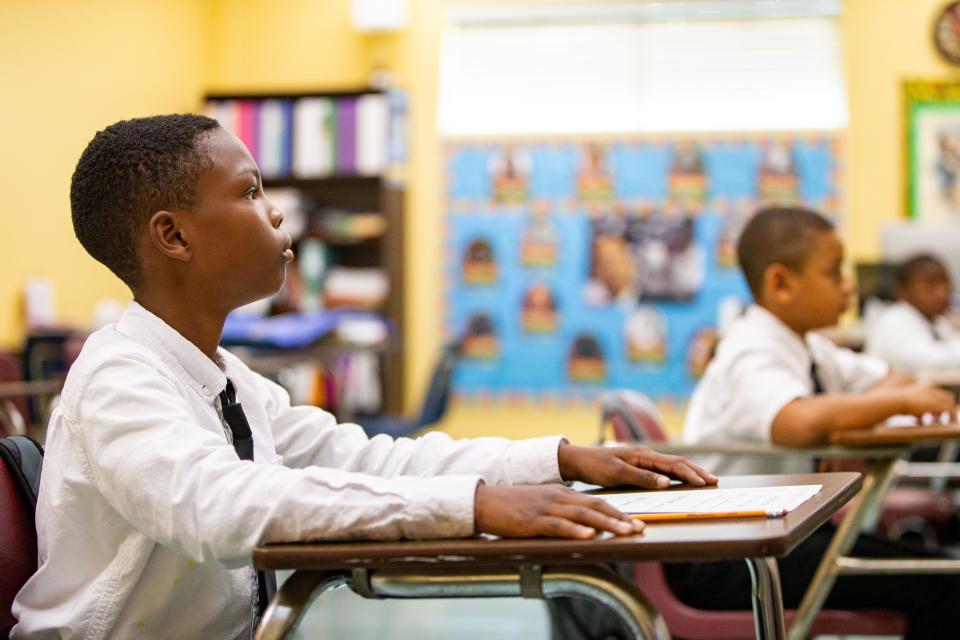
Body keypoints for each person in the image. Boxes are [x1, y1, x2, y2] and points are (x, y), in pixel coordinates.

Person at [9, 115, 715, 639]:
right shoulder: (116, 376)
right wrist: (472, 506)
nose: (276, 211)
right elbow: (222, 507)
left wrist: (550, 461)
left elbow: (369, 457)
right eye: (250, 192)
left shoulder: (229, 382)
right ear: (173, 236)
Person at [673, 206, 960, 640]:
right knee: (940, 584)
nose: (848, 286)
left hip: (779, 537)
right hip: (731, 555)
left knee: (937, 568)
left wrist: (844, 419)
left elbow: (891, 377)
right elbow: (797, 421)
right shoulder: (751, 351)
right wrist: (883, 406)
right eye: (833, 273)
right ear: (780, 284)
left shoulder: (806, 347)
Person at [865, 253, 960, 373]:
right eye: (931, 284)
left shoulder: (937, 322)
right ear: (902, 290)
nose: (942, 293)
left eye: (945, 283)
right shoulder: (896, 319)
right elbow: (927, 362)